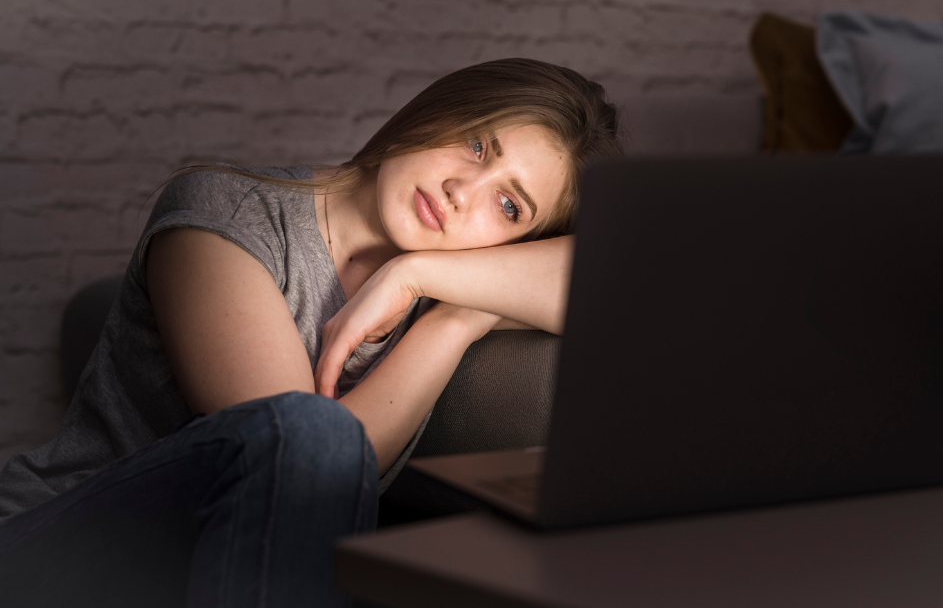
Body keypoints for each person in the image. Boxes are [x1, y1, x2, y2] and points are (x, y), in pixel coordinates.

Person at [0, 58, 622, 606]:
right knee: (308, 433)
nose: (464, 191)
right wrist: (452, 325)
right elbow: (302, 454)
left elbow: (636, 270)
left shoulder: (446, 277)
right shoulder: (225, 212)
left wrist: (427, 282)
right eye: (476, 144)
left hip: (225, 573)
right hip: (50, 548)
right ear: (439, 109)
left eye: (510, 206)